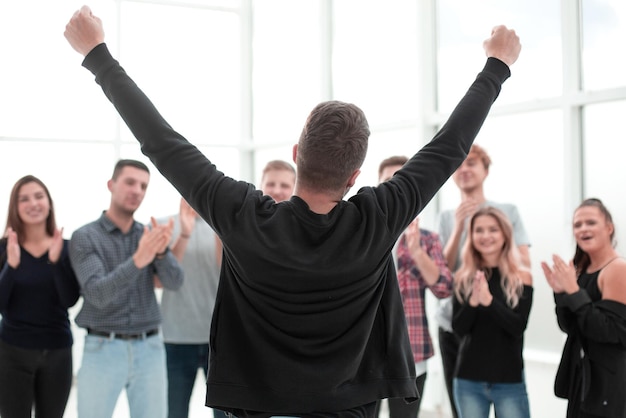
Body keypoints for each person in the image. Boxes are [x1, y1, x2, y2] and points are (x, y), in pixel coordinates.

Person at [64, 7, 521, 416]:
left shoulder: (242, 214)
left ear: (298, 153)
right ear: (355, 175)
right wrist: (496, 66)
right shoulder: (378, 217)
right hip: (347, 406)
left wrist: (98, 55)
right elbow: (449, 148)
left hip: (253, 406)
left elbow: (162, 144)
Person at [69, 159, 184, 418]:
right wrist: (139, 259)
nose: (137, 191)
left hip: (150, 348)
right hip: (102, 348)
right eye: (130, 182)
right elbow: (97, 294)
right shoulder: (85, 237)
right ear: (111, 185)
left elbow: (175, 282)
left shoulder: (147, 235)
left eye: (143, 186)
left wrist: (162, 252)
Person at [435, 144, 531, 418]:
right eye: (459, 165)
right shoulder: (446, 217)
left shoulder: (506, 211)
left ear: (486, 170)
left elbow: (523, 263)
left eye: (472, 163)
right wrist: (458, 227)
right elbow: (443, 272)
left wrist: (490, 298)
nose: (464, 169)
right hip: (455, 319)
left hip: (498, 321)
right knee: (461, 405)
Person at [375, 156, 453, 418]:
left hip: (411, 355)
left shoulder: (428, 239)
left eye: (402, 179)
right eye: (389, 180)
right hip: (364, 356)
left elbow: (444, 288)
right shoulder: (366, 234)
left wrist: (418, 251)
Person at [0, 175, 81, 418]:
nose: (33, 203)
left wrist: (55, 262)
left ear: (49, 202)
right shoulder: (4, 248)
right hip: (12, 352)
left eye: (38, 196)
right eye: (24, 199)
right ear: (15, 207)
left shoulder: (65, 247)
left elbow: (70, 300)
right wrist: (11, 266)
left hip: (57, 352)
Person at [541, 198, 626, 418]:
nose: (583, 229)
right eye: (577, 225)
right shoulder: (581, 270)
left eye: (590, 222)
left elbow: (612, 331)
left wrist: (574, 292)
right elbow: (570, 327)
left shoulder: (617, 269)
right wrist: (561, 292)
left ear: (609, 227)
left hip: (608, 386)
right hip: (583, 382)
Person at [452, 206, 533, 418]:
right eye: (479, 230)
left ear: (505, 234)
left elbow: (518, 327)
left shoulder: (522, 277)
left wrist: (489, 302)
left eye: (493, 230)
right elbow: (459, 329)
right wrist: (473, 301)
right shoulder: (463, 277)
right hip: (468, 380)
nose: (486, 236)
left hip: (509, 380)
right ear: (471, 236)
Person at [157, 197, 227, 418]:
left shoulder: (225, 227)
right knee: (174, 412)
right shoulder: (163, 226)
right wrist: (184, 234)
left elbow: (228, 272)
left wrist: (221, 229)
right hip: (176, 340)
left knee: (224, 414)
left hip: (218, 341)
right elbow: (164, 278)